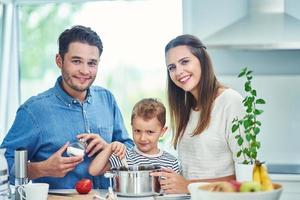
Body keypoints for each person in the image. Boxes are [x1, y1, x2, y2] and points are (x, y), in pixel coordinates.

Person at [0, 25, 133, 189]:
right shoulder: (34, 111)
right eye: (76, 61)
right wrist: (42, 168)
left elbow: (131, 150)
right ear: (59, 61)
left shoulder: (107, 99)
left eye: (91, 63)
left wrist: (109, 148)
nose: (85, 71)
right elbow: (5, 163)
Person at [151, 34, 245, 194]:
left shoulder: (230, 101)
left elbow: (244, 177)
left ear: (202, 60)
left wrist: (188, 186)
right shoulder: (186, 108)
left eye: (185, 62)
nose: (178, 72)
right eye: (171, 67)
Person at [89, 98, 181, 176]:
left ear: (162, 131)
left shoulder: (172, 162)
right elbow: (93, 171)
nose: (142, 138)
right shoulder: (123, 156)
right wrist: (110, 147)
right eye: (137, 131)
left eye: (150, 132)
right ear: (132, 127)